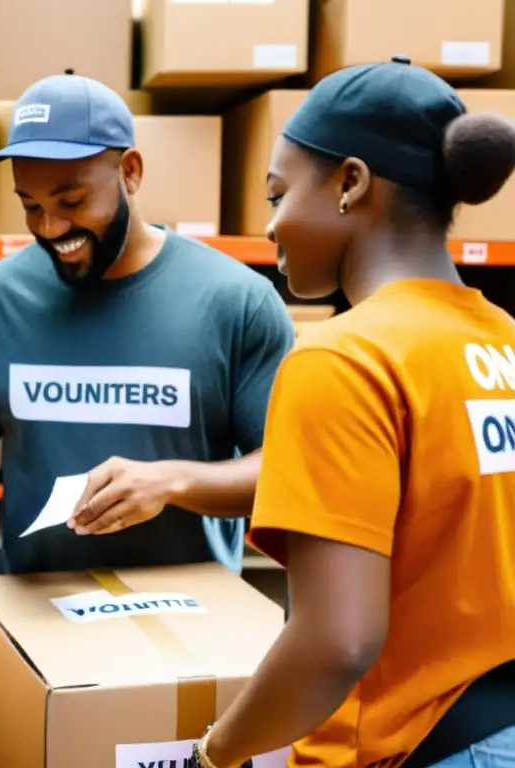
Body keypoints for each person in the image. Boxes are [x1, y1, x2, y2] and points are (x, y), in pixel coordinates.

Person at [188, 58, 515, 768]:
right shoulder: (504, 343)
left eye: (278, 193)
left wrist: (215, 754)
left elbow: (339, 639)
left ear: (350, 183)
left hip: (419, 748)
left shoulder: (343, 359)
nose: (271, 225)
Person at [0, 73, 296, 580]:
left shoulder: (235, 300)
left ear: (130, 172)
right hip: (34, 613)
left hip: (192, 620)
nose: (51, 228)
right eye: (31, 206)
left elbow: (286, 471)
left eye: (71, 202)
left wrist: (172, 483)